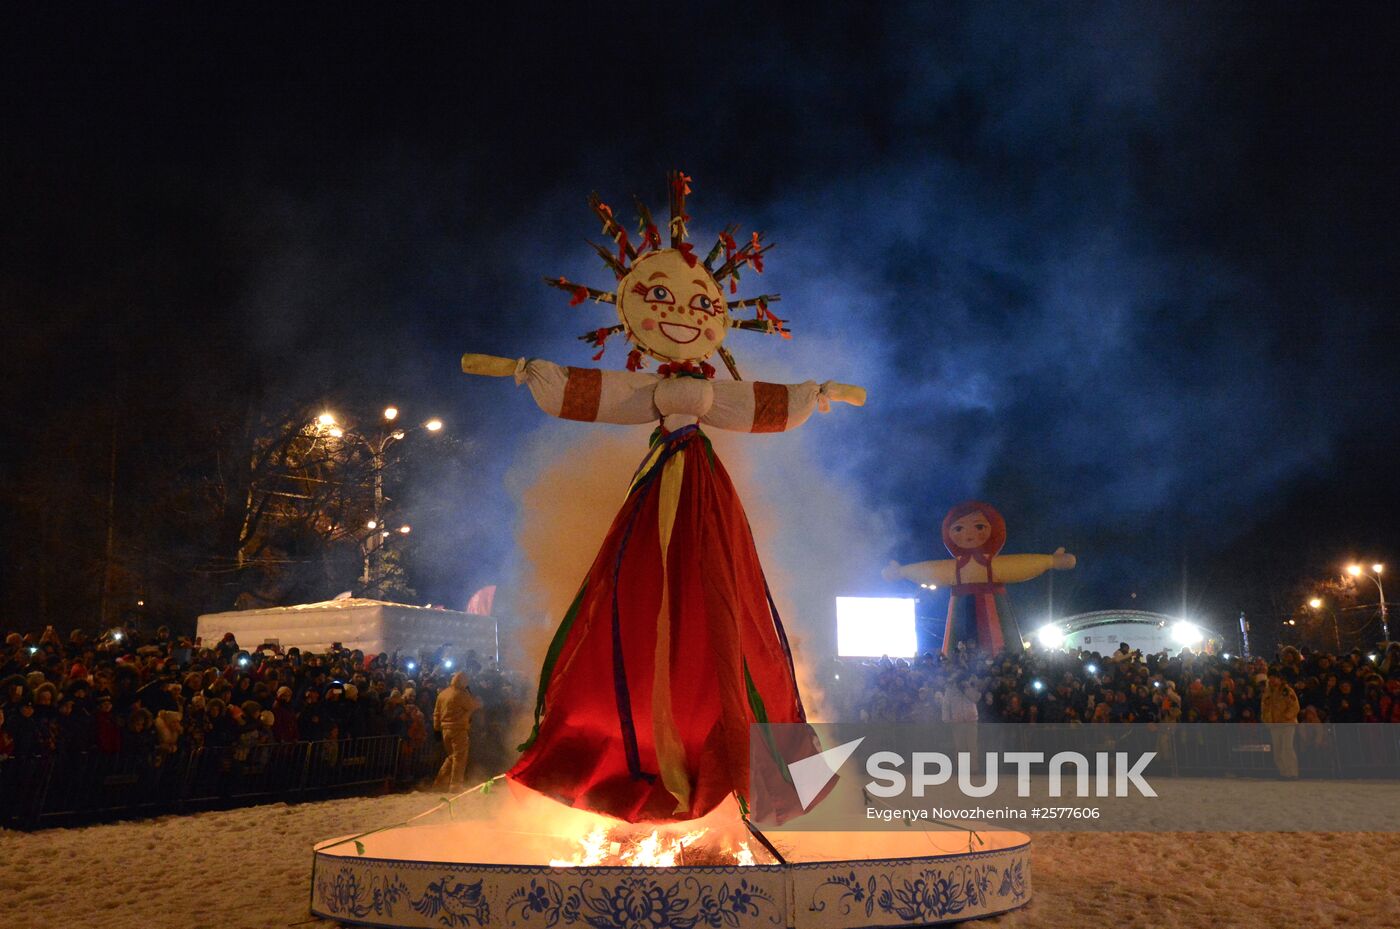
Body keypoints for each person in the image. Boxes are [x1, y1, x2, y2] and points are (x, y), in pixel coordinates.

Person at [460, 180, 866, 824]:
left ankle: (731, 745)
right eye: (660, 298)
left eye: (699, 302)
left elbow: (757, 404)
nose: (684, 313)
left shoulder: (709, 392)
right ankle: (645, 749)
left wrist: (816, 393)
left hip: (704, 488)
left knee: (722, 596)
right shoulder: (652, 387)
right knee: (646, 597)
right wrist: (525, 370)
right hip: (664, 484)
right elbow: (596, 393)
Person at [433, 671, 481, 789]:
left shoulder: (443, 694)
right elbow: (473, 706)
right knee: (460, 757)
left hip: (445, 730)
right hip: (458, 728)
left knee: (451, 756)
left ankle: (440, 782)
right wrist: (474, 698)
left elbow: (436, 713)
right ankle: (455, 784)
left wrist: (436, 729)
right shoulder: (460, 694)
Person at [1260, 671, 1300, 779]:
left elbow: (1294, 706)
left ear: (1279, 679)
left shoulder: (1286, 691)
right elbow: (1264, 708)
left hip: (1287, 724)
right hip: (1274, 724)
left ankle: (1292, 772)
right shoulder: (1267, 693)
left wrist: (1286, 717)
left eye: (1274, 678)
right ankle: (1283, 772)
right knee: (1277, 749)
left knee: (1287, 748)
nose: (1272, 680)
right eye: (1271, 678)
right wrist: (1266, 719)